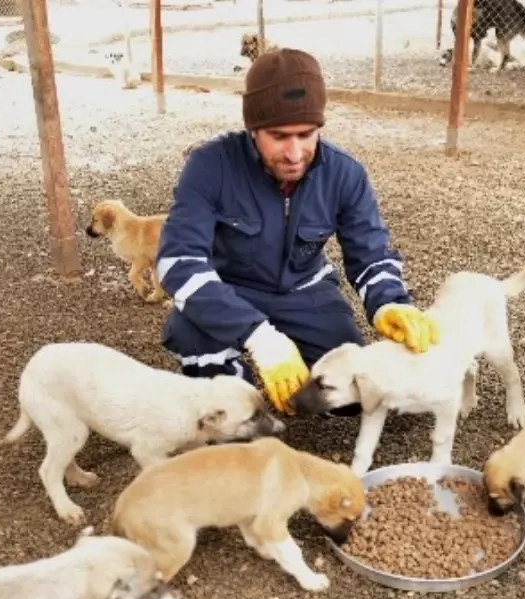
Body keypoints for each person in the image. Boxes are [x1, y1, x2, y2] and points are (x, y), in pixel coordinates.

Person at [154, 47, 440, 416]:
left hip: (305, 292)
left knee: (348, 402)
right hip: (231, 290)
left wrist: (390, 302)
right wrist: (261, 338)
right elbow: (178, 263)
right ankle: (232, 413)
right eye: (279, 136)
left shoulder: (345, 173)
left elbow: (370, 253)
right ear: (253, 128)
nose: (294, 153)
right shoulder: (210, 165)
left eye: (306, 134)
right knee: (192, 334)